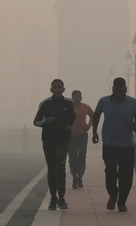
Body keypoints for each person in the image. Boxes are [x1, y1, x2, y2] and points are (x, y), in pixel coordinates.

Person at [92, 77, 136, 212]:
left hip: (127, 145)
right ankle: (113, 195)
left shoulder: (133, 102)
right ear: (113, 89)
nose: (119, 95)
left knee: (126, 175)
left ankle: (122, 201)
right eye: (117, 92)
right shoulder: (104, 101)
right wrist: (94, 132)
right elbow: (96, 115)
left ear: (126, 90)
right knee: (111, 171)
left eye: (122, 92)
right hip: (109, 143)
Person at [33, 79, 76, 210]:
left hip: (63, 139)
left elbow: (73, 118)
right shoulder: (45, 104)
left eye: (59, 87)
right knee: (51, 169)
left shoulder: (68, 103)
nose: (57, 89)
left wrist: (70, 126)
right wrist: (46, 121)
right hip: (49, 140)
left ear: (63, 89)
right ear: (51, 90)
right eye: (55, 87)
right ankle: (53, 197)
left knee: (60, 167)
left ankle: (61, 198)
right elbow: (36, 121)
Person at [68, 90, 93, 189]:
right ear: (72, 98)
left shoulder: (85, 107)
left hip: (82, 135)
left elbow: (93, 116)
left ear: (81, 98)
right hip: (71, 136)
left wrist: (89, 125)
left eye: (78, 96)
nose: (77, 98)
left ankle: (80, 177)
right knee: (72, 159)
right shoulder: (69, 108)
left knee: (81, 158)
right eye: (75, 96)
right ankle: (75, 178)